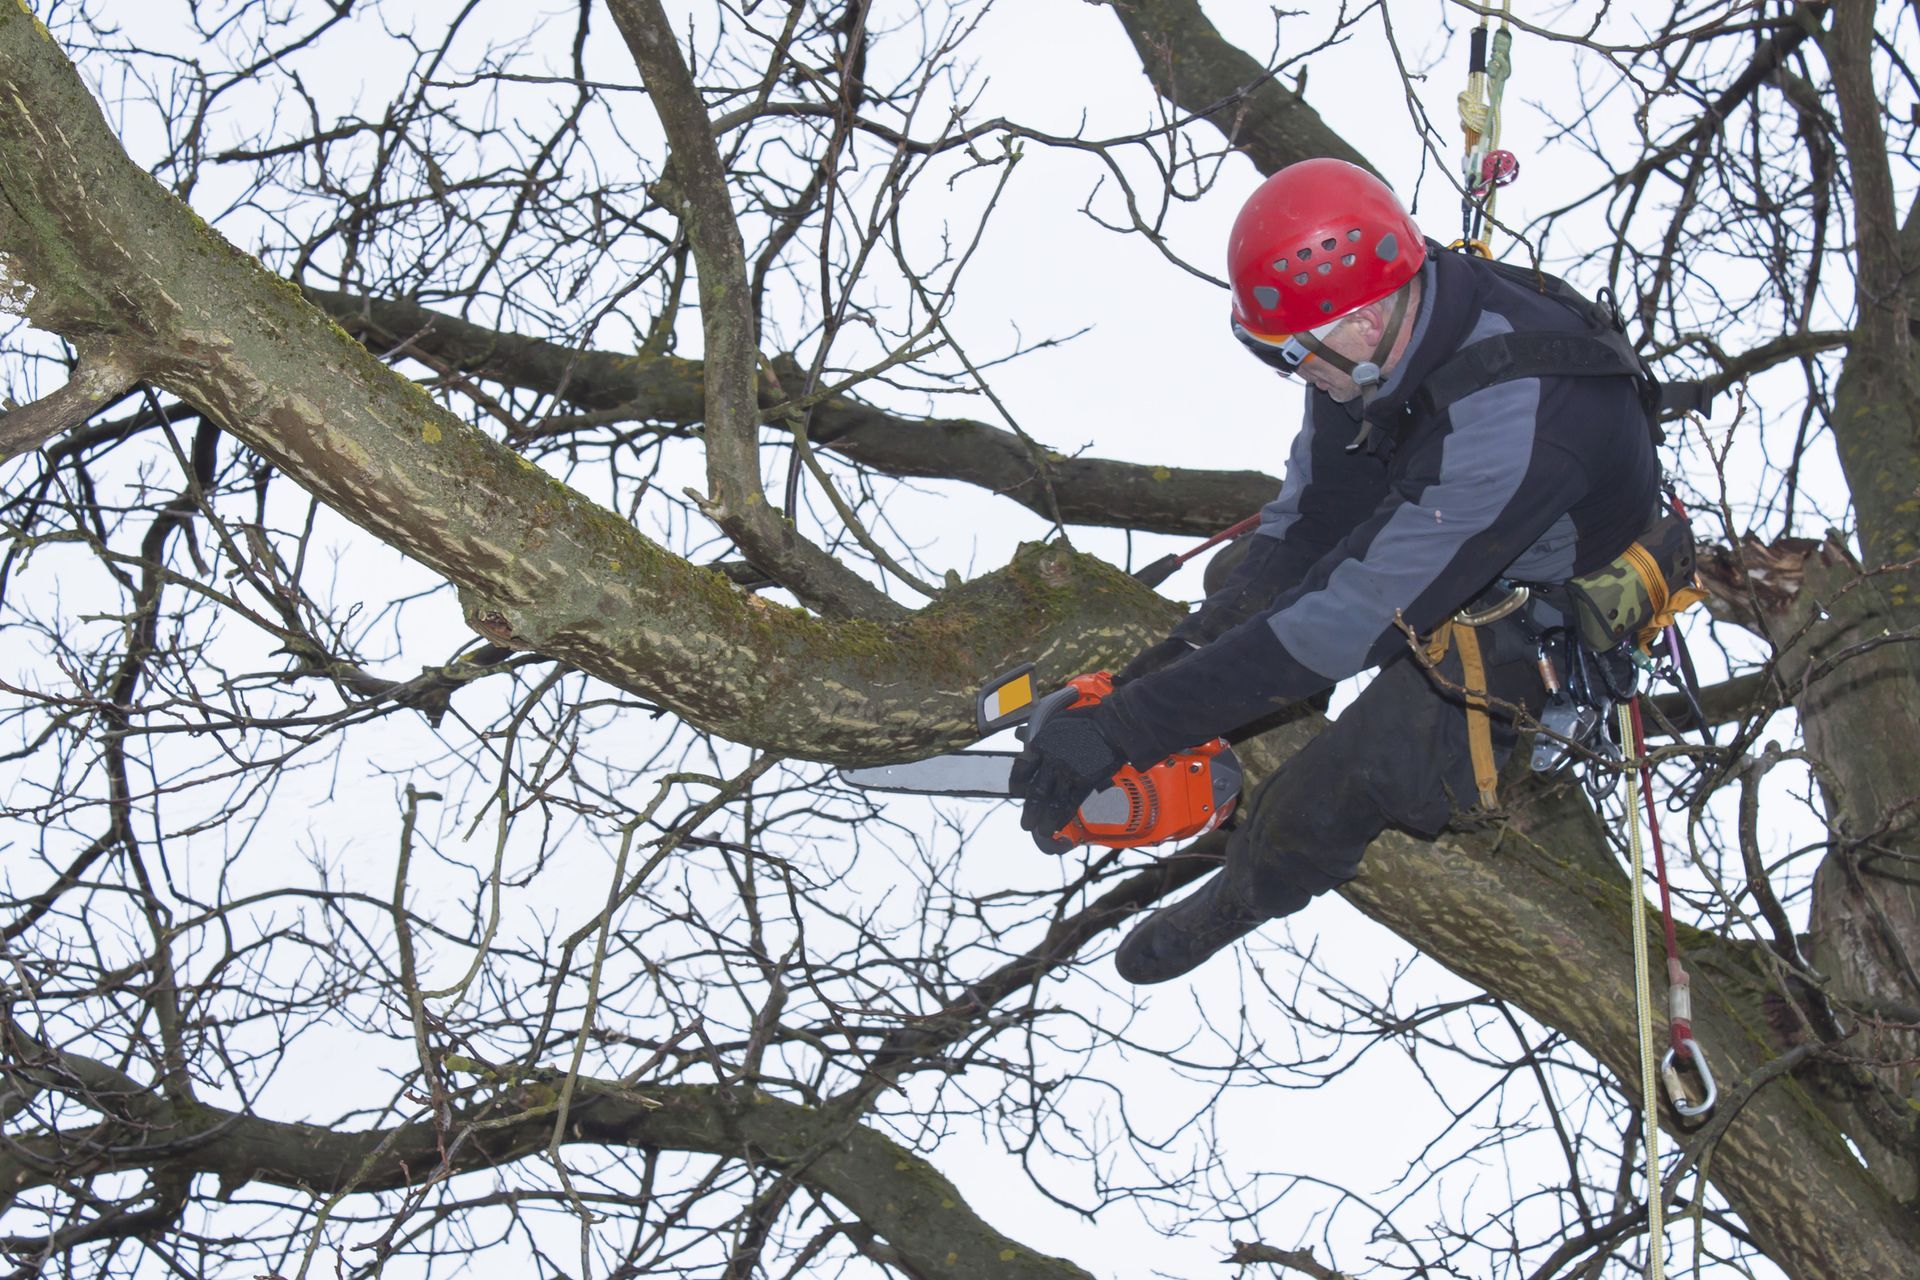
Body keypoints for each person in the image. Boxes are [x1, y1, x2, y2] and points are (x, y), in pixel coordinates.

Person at [1009, 157, 1662, 985]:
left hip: (1540, 591)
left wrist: (1129, 729)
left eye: (1291, 354)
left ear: (1359, 318)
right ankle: (1216, 723)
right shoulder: (1370, 347)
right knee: (1247, 585)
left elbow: (1347, 620)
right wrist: (1153, 679)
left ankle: (1248, 888)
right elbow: (1306, 523)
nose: (1293, 372)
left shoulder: (1518, 419)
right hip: (1441, 509)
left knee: (1364, 772)